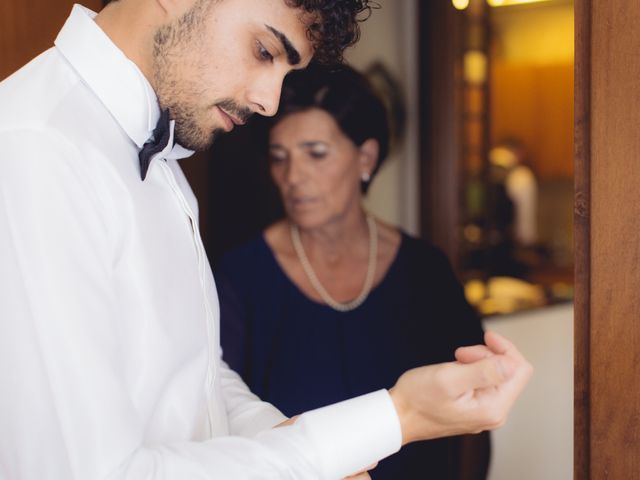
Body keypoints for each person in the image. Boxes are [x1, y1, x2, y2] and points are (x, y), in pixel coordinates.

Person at [0, 1, 532, 479]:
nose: (270, 102)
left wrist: (314, 452)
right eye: (263, 50)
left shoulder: (163, 160)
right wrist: (399, 416)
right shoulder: (36, 150)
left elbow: (202, 380)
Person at [216, 64, 490, 479]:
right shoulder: (240, 278)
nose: (293, 177)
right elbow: (219, 418)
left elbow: (472, 417)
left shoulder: (424, 271)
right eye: (280, 157)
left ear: (366, 157)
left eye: (316, 153)